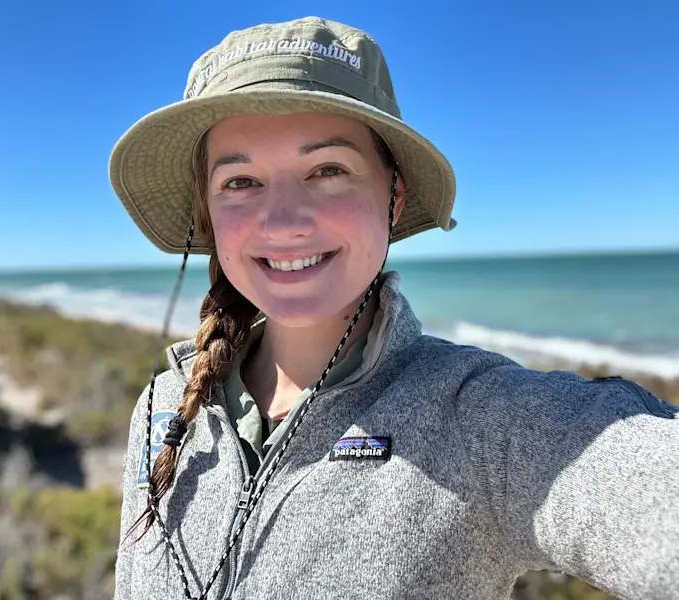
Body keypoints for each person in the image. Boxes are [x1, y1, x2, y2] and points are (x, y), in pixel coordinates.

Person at [108, 16, 679, 600]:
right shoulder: (164, 407)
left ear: (394, 194)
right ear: (207, 211)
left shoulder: (475, 418)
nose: (281, 220)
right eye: (240, 181)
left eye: (327, 169)